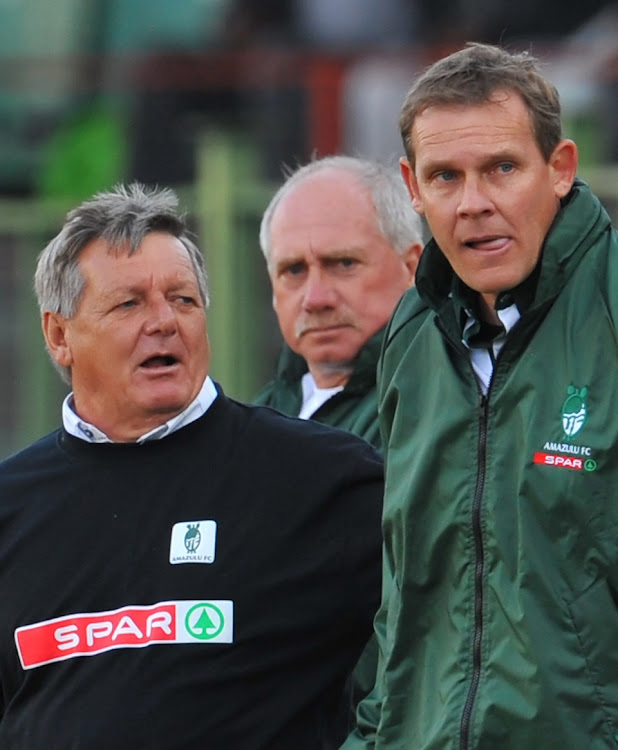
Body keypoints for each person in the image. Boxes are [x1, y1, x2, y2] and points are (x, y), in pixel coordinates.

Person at [0, 184, 384, 750]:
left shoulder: (325, 479)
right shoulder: (11, 506)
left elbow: (438, 660)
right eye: (129, 303)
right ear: (59, 335)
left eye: (182, 300)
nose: (164, 322)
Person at [344, 42, 618, 749]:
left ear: (560, 170)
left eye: (502, 168)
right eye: (445, 176)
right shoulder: (410, 333)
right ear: (412, 187)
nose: (475, 204)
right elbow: (401, 592)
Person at [254, 155, 424, 450]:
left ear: (411, 268)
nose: (316, 299)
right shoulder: (257, 416)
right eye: (294, 270)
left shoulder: (442, 401)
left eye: (344, 264)